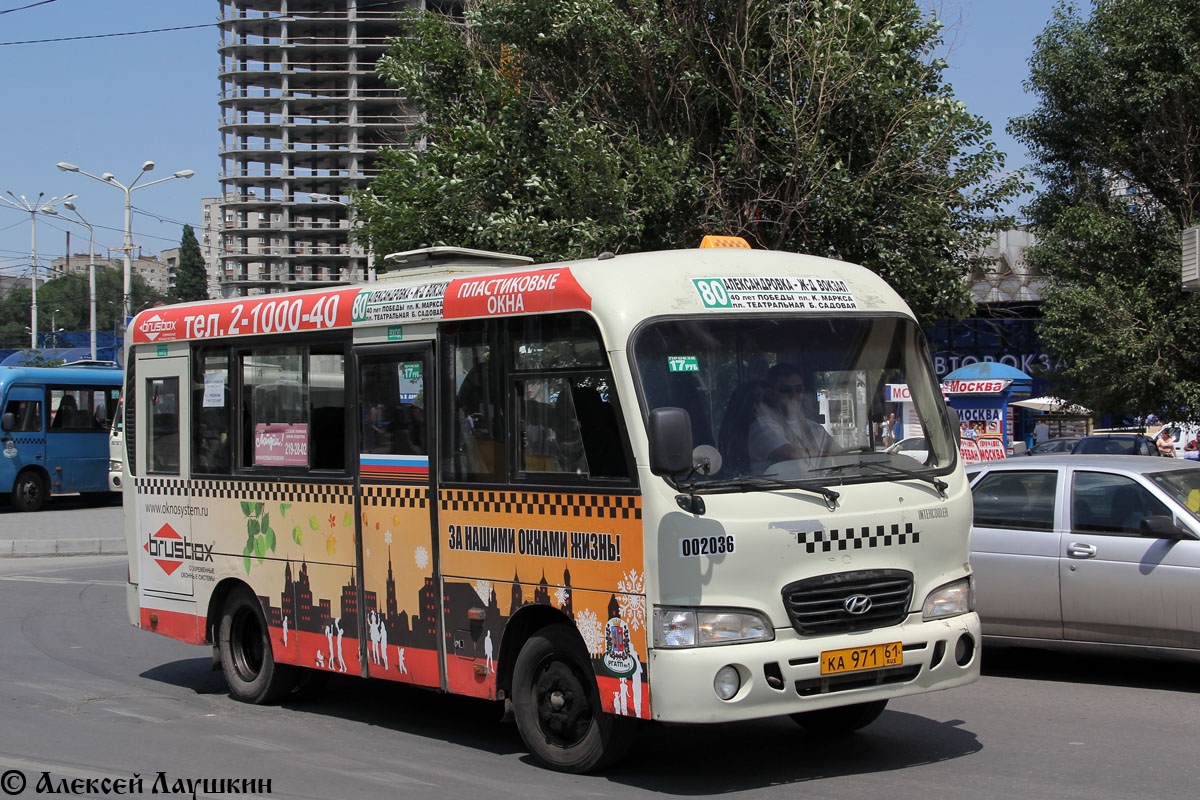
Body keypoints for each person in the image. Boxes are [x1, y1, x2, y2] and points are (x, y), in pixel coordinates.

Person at [747, 364, 834, 473]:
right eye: (785, 390)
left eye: (798, 390)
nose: (794, 396)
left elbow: (842, 454)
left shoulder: (815, 428)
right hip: (778, 488)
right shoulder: (761, 427)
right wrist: (831, 455)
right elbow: (791, 454)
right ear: (770, 392)